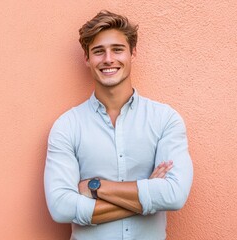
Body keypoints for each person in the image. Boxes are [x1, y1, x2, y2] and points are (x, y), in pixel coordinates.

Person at [44, 10, 193, 240]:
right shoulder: (67, 126)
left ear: (132, 53)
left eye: (117, 49)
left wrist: (95, 187)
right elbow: (61, 207)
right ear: (87, 59)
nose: (108, 59)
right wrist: (148, 192)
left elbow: (175, 194)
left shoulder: (165, 119)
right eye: (98, 51)